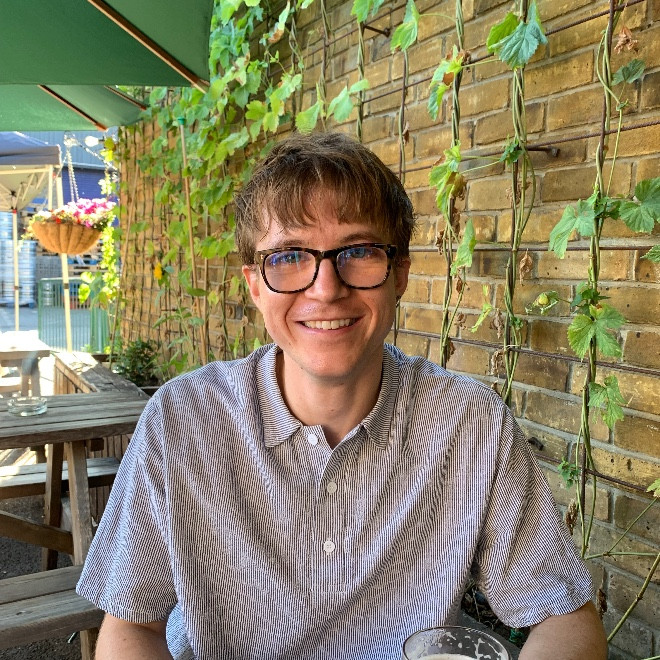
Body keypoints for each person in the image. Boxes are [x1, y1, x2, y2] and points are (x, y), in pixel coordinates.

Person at [77, 131, 607, 659]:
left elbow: (565, 618)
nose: (326, 288)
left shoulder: (471, 425)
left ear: (400, 274)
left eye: (358, 251)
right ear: (255, 284)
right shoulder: (182, 420)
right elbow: (132, 628)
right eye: (288, 256)